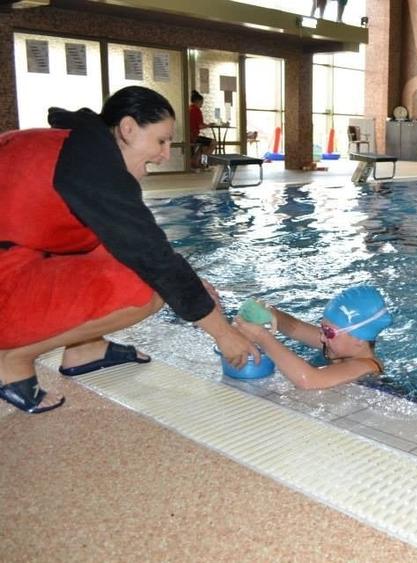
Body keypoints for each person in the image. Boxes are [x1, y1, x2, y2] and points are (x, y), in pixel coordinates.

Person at [0, 86, 258, 414]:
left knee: (117, 249)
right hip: (8, 274)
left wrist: (192, 285)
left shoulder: (78, 147)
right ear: (128, 128)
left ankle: (85, 349)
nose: (166, 154)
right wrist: (223, 334)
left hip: (17, 254)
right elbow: (154, 260)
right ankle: (12, 361)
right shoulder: (92, 168)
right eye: (161, 141)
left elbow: (138, 242)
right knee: (147, 289)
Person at [233, 286, 393, 390]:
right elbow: (295, 327)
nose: (322, 337)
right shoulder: (336, 345)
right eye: (322, 328)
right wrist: (271, 313)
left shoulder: (367, 367)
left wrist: (262, 337)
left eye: (328, 332)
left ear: (359, 338)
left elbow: (309, 380)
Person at [189, 90, 216, 170]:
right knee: (213, 142)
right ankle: (202, 162)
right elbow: (200, 126)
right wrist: (209, 125)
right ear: (198, 101)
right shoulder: (197, 110)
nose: (202, 105)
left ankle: (197, 162)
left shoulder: (189, 109)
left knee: (204, 146)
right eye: (201, 102)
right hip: (194, 136)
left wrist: (206, 125)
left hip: (189, 136)